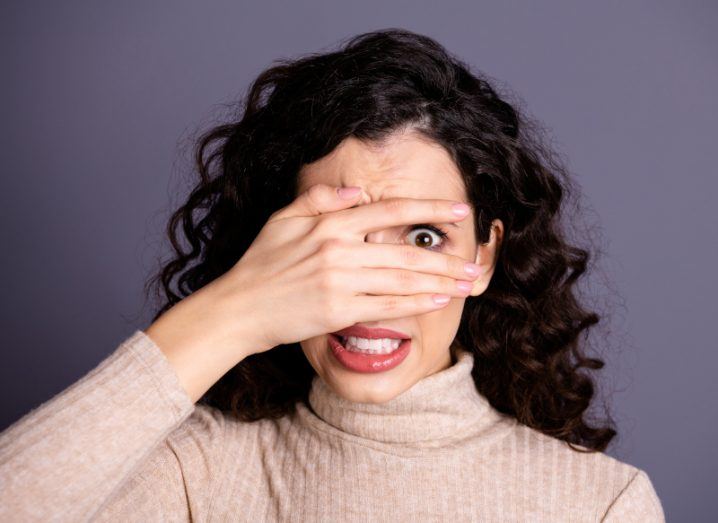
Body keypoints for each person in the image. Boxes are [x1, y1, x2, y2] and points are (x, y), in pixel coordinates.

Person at [0, 28, 665, 521]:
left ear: (484, 256)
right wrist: (232, 313)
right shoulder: (192, 475)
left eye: (424, 236)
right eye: (333, 237)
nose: (368, 286)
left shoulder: (600, 504)